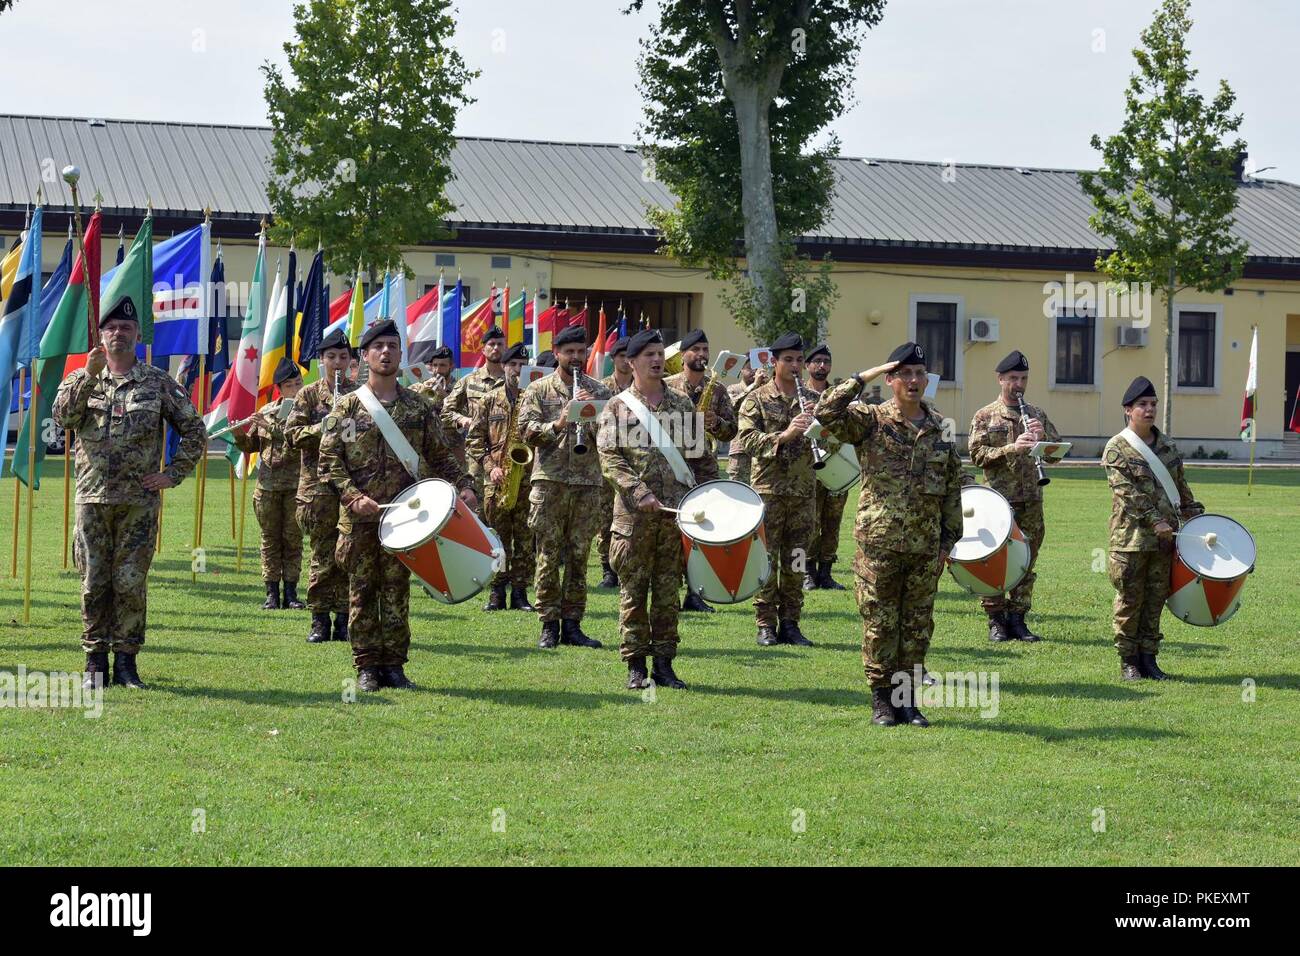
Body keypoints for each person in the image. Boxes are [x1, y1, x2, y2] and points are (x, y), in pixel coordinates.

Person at [53, 294, 206, 690]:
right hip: (92, 500)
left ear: (137, 335)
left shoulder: (157, 383)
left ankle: (126, 663)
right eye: (111, 328)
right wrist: (88, 375)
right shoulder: (80, 379)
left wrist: (173, 473)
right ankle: (94, 664)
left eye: (125, 328)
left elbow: (194, 429)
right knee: (93, 582)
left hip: (139, 503)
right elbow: (62, 418)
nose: (118, 333)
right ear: (100, 336)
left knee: (130, 581)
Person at [319, 320, 474, 691]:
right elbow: (330, 461)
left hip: (408, 518)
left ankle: (395, 665)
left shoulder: (417, 407)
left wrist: (464, 485)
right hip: (359, 520)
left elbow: (440, 455)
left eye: (392, 345)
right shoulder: (347, 408)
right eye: (378, 347)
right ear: (365, 356)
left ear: (401, 354)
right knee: (361, 590)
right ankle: (367, 665)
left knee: (396, 590)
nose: (386, 352)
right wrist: (353, 497)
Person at [814, 342, 964, 727]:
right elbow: (825, 412)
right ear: (893, 379)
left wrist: (949, 542)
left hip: (925, 546)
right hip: (878, 543)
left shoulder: (940, 428)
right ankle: (882, 700)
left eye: (920, 374)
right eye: (905, 374)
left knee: (916, 626)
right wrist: (865, 376)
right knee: (880, 623)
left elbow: (951, 488)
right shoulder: (870, 421)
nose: (914, 381)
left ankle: (908, 701)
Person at [597, 329, 698, 689]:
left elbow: (699, 459)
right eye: (648, 355)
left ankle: (665, 665)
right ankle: (636, 665)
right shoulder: (616, 406)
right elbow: (609, 458)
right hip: (633, 519)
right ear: (631, 361)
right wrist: (638, 492)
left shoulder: (683, 405)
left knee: (669, 593)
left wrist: (709, 497)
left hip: (675, 517)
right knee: (634, 592)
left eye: (660, 354)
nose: (657, 360)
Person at [1103, 376, 1204, 682]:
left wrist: (1195, 514)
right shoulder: (1117, 448)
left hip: (1166, 539)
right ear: (1127, 410)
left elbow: (1180, 487)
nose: (1149, 410)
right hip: (1131, 540)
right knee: (1131, 600)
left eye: (1152, 405)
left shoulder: (1167, 445)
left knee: (1156, 598)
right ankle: (1128, 661)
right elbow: (1127, 493)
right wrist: (1156, 521)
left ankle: (1149, 658)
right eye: (1142, 405)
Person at [518, 324, 612, 649]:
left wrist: (592, 416)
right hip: (550, 481)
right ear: (556, 353)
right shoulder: (538, 390)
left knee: (579, 554)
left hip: (587, 482)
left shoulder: (600, 392)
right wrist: (559, 422)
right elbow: (525, 431)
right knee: (548, 552)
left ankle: (573, 624)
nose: (575, 357)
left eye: (580, 351)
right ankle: (548, 623)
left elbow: (614, 437)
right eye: (568, 352)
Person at [967, 350, 1063, 642]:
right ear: (1000, 379)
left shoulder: (1036, 413)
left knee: (1026, 560)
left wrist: (1043, 437)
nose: (1018, 384)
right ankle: (996, 620)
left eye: (1023, 378)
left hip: (1031, 499)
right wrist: (1013, 448)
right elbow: (977, 455)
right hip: (998, 500)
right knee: (995, 559)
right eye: (1012, 378)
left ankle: (1018, 619)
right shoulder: (985, 415)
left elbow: (1058, 453)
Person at [735, 332, 817, 647]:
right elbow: (747, 440)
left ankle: (791, 623)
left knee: (796, 559)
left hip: (803, 493)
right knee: (765, 560)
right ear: (774, 361)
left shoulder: (813, 399)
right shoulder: (756, 399)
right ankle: (765, 623)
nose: (795, 366)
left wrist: (818, 431)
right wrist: (784, 436)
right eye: (789, 360)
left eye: (799, 360)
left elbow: (832, 440)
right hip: (768, 490)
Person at [285, 327, 357, 643]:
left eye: (343, 357)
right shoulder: (308, 394)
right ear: (321, 360)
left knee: (348, 552)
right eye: (331, 357)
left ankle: (343, 619)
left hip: (350, 486)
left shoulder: (359, 394)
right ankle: (318, 619)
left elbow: (362, 439)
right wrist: (321, 428)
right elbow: (292, 435)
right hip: (316, 488)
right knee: (321, 554)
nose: (337, 363)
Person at [665, 328, 738, 612]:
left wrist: (715, 421)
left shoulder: (717, 388)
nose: (702, 355)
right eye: (696, 350)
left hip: (704, 466)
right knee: (673, 531)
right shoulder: (667, 385)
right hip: (673, 465)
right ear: (683, 355)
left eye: (705, 350)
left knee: (703, 529)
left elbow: (731, 431)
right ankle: (669, 591)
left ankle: (697, 592)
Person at [232, 358, 306, 611]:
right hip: (267, 488)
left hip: (296, 485)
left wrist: (272, 428)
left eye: (299, 382)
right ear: (279, 388)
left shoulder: (306, 412)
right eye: (289, 385)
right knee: (269, 540)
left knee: (293, 540)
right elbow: (252, 447)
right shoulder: (266, 411)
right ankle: (271, 593)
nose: (296, 388)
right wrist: (239, 435)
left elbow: (298, 440)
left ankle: (292, 592)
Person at [466, 342, 536, 612]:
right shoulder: (488, 400)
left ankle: (520, 593)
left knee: (525, 540)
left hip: (527, 480)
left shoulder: (533, 398)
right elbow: (473, 440)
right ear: (504, 367)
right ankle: (497, 592)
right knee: (496, 540)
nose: (518, 370)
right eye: (513, 365)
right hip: (496, 482)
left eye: (522, 365)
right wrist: (489, 466)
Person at [801, 342, 848, 592]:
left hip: (837, 466)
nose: (822, 366)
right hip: (811, 467)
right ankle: (808, 573)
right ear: (807, 365)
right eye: (817, 361)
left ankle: (826, 573)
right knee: (812, 520)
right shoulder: (799, 394)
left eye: (826, 362)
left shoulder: (838, 394)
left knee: (833, 520)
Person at [442, 325, 506, 501]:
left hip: (506, 455)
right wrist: (462, 419)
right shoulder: (469, 381)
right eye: (491, 344)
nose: (496, 348)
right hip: (476, 458)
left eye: (500, 344)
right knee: (477, 509)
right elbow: (446, 412)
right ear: (483, 348)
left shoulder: (513, 381)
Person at [597, 335, 633, 589]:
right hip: (607, 462)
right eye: (621, 356)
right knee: (605, 518)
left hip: (635, 461)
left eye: (628, 356)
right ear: (614, 359)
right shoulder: (601, 389)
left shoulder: (642, 387)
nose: (625, 361)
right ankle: (607, 569)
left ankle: (627, 565)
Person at [410, 344, 461, 465]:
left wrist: (444, 395)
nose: (437, 370)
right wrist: (421, 390)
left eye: (442, 365)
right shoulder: (422, 385)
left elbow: (464, 416)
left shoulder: (460, 387)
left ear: (451, 366)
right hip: (427, 451)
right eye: (435, 365)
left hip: (452, 450)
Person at [726, 361, 767, 484]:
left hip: (762, 449)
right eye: (749, 368)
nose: (754, 372)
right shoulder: (733, 389)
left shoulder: (765, 390)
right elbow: (733, 406)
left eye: (756, 369)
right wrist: (755, 385)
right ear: (741, 370)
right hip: (740, 450)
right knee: (738, 489)